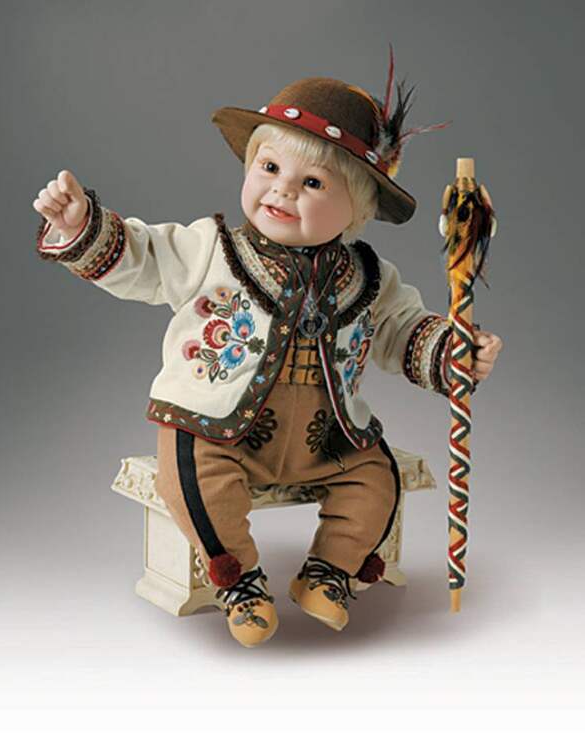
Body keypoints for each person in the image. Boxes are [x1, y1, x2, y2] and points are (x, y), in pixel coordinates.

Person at [33, 68, 502, 648]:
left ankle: (327, 573)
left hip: (326, 438)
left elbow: (400, 331)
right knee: (196, 479)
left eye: (313, 183)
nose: (282, 191)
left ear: (357, 208)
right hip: (219, 429)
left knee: (376, 480)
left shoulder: (369, 276)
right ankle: (242, 584)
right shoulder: (210, 249)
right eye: (270, 168)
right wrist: (81, 226)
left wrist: (453, 351)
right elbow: (144, 257)